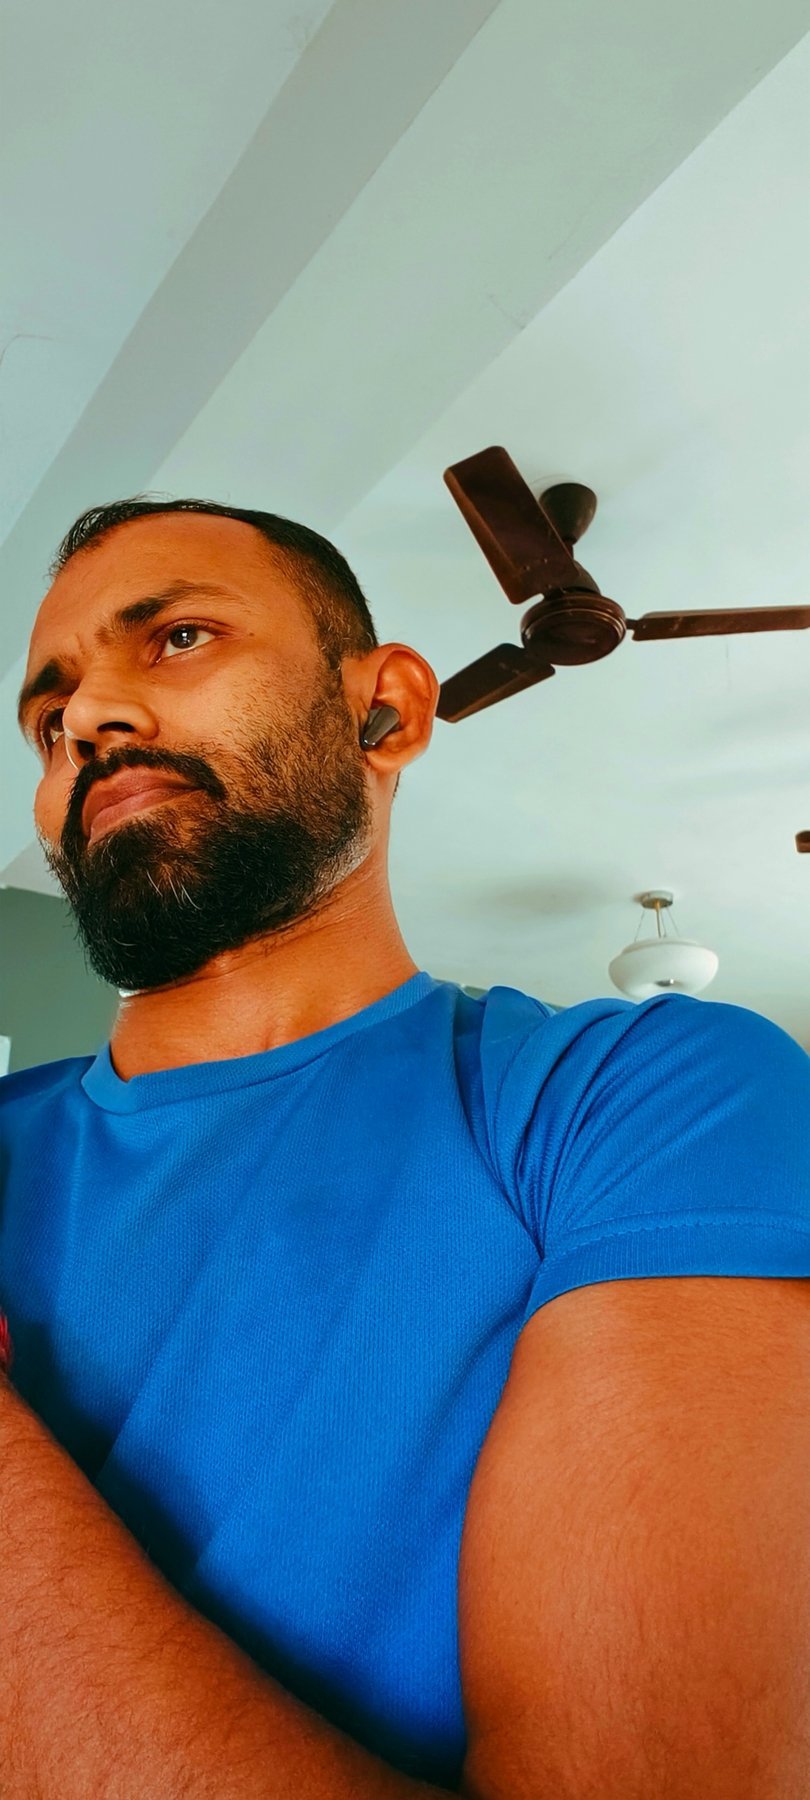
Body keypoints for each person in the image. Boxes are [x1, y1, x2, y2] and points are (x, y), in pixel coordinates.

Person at [2, 497, 810, 1795]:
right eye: (49, 718)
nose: (88, 716)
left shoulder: (641, 1095)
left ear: (385, 710)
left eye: (178, 637)